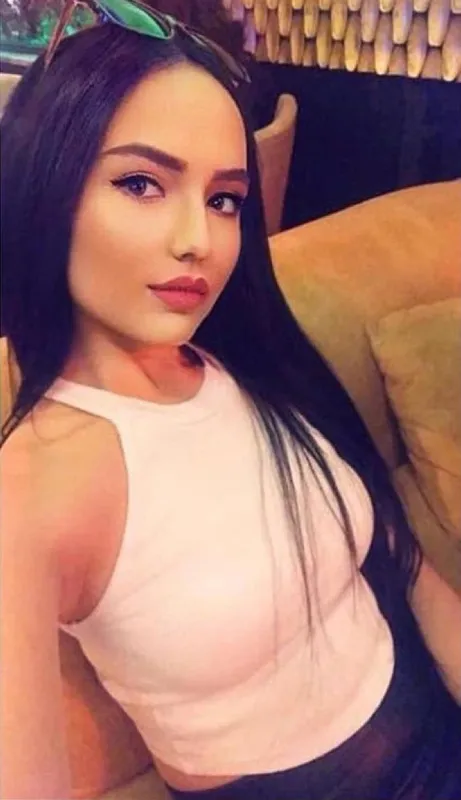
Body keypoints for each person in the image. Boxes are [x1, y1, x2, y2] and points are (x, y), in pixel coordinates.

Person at [1, 2, 460, 798]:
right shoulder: (33, 489)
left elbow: (401, 555)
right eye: (141, 183)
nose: (200, 241)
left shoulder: (242, 363)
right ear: (43, 187)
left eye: (223, 199)